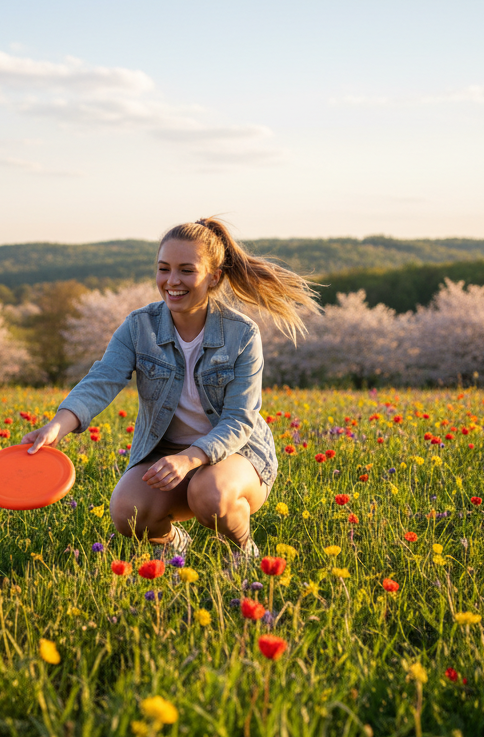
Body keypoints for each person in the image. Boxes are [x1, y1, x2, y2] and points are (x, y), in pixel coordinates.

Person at [22, 218, 318, 555]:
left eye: (186, 271)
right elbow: (102, 379)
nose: (172, 281)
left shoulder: (242, 334)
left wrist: (191, 458)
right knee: (127, 512)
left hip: (238, 455)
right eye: (164, 269)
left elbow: (239, 419)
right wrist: (57, 426)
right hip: (165, 453)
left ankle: (242, 551)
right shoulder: (140, 326)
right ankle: (175, 545)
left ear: (214, 276)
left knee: (211, 493)